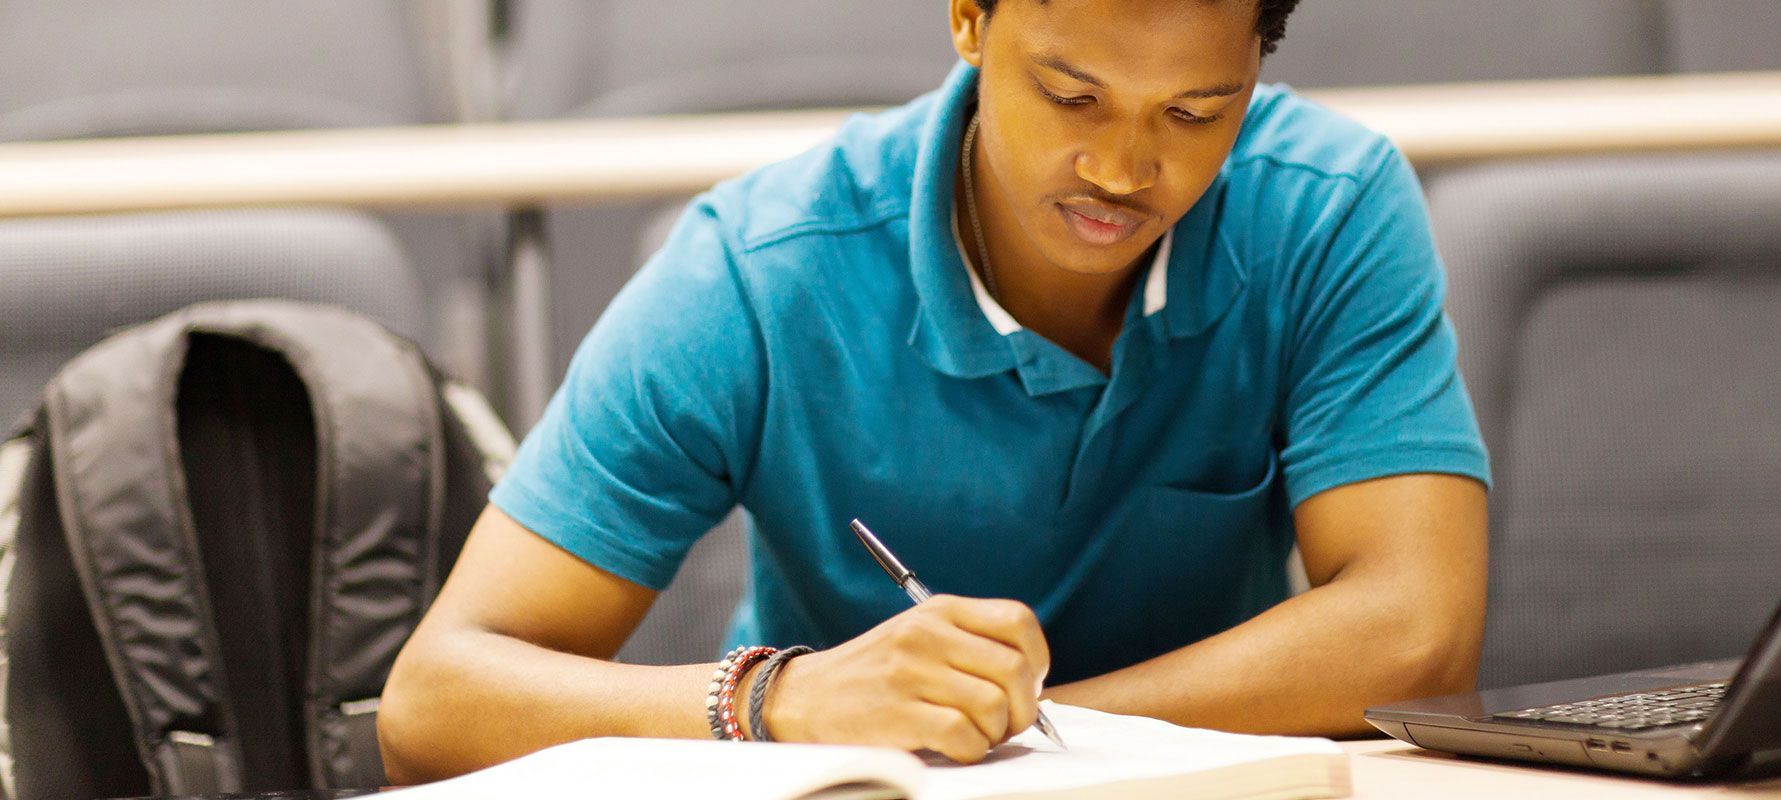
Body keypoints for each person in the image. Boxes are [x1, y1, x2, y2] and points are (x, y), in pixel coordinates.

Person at [379, 0, 1490, 783]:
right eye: (1071, 95)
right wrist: (785, 702)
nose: (1122, 168)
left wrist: (1017, 735)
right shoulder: (759, 267)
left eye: (1197, 114)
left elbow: (1415, 631)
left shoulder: (1328, 206)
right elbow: (434, 702)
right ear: (968, 18)